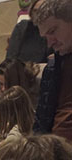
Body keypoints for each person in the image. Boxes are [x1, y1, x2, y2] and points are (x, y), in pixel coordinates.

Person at [31, 0, 72, 140]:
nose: (50, 43)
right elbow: (43, 117)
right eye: (45, 37)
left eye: (53, 31)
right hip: (55, 146)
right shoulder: (54, 65)